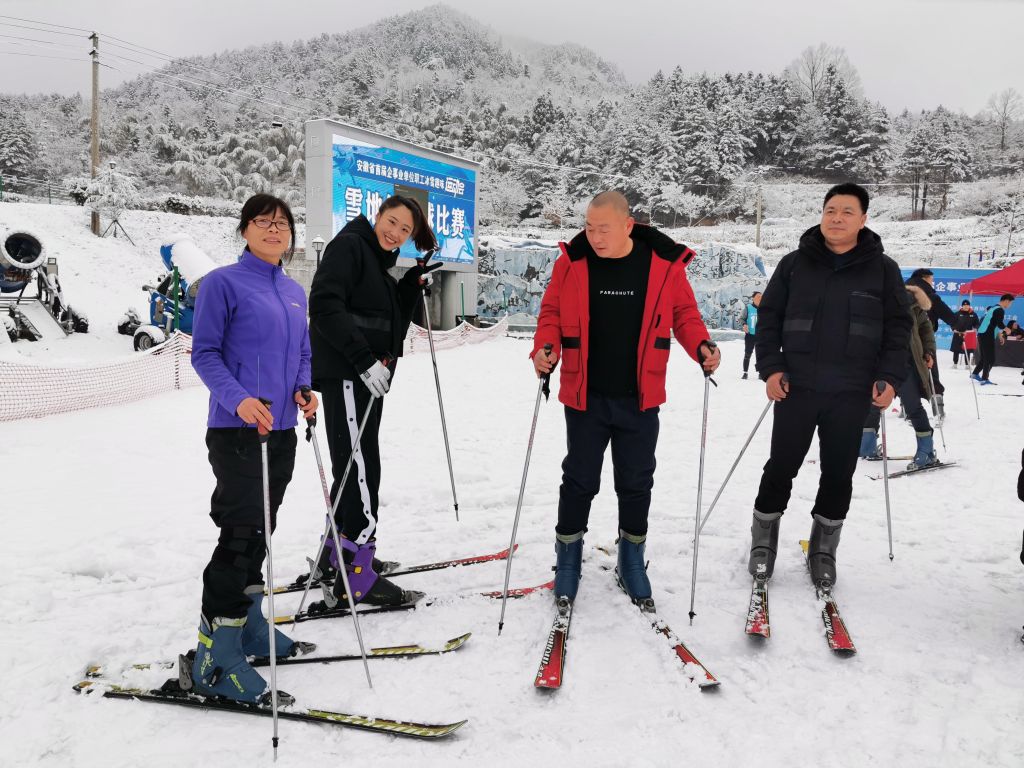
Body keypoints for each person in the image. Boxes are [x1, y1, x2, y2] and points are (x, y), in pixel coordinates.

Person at [532, 191, 720, 608]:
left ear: (628, 226)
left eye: (604, 229)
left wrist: (701, 345)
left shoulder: (663, 266)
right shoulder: (572, 263)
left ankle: (631, 559)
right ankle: (568, 559)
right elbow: (551, 313)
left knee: (636, 481)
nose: (595, 237)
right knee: (579, 480)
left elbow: (684, 315)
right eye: (589, 228)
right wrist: (545, 348)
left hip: (641, 397)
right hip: (585, 395)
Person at [748, 183, 912, 588]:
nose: (836, 218)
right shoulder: (794, 264)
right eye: (830, 210)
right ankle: (763, 541)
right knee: (781, 466)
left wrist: (890, 377)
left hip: (851, 392)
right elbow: (768, 319)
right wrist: (771, 368)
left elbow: (898, 328)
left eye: (847, 212)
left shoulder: (883, 269)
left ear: (863, 219)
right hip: (796, 387)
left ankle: (824, 548)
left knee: (839, 472)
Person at [189, 194, 317, 704]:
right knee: (240, 535)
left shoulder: (293, 290)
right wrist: (239, 399)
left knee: (262, 530)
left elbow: (302, 351)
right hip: (237, 430)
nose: (274, 229)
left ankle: (248, 627)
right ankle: (215, 654)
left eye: (282, 223)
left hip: (281, 430)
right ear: (244, 230)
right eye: (263, 221)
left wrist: (303, 388)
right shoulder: (222, 283)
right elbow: (204, 353)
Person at [308, 196, 439, 606]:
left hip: (367, 378)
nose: (395, 233)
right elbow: (324, 305)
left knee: (353, 467)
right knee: (361, 468)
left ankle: (337, 555)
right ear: (377, 215)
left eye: (405, 230)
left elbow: (387, 323)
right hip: (351, 374)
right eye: (392, 221)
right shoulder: (351, 246)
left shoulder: (377, 263)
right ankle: (358, 571)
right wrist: (364, 361)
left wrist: (409, 285)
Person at [860, 284, 938, 470]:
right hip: (879, 363)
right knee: (874, 404)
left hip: (906, 364)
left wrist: (928, 351)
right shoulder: (874, 302)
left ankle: (926, 451)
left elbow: (926, 329)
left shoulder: (914, 306)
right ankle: (866, 447)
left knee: (913, 406)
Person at [906, 268, 956, 421]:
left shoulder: (900, 291)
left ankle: (906, 410)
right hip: (922, 341)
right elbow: (945, 312)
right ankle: (938, 410)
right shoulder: (927, 293)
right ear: (924, 278)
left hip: (902, 342)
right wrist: (957, 324)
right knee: (931, 372)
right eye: (931, 279)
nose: (932, 282)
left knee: (907, 375)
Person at [971, 293, 1015, 384]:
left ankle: (975, 374)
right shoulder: (999, 310)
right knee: (990, 359)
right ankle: (984, 379)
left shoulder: (993, 308)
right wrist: (1007, 329)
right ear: (1006, 301)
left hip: (982, 334)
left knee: (985, 357)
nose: (1010, 305)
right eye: (1011, 303)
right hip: (987, 335)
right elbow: (999, 324)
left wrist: (999, 335)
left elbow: (992, 324)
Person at [951, 300, 980, 368]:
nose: (966, 306)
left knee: (968, 350)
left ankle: (967, 365)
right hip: (958, 334)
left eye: (967, 305)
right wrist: (953, 329)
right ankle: (955, 364)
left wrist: (975, 328)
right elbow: (952, 322)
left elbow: (977, 324)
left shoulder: (973, 314)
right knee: (956, 349)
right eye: (964, 305)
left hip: (968, 334)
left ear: (969, 306)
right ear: (962, 306)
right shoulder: (957, 314)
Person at [741, 291, 762, 380]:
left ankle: (760, 373)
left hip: (760, 336)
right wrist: (744, 324)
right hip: (750, 335)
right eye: (758, 296)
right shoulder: (748, 308)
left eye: (761, 297)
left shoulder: (763, 308)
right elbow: (742, 318)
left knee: (760, 355)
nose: (760, 298)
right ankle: (745, 373)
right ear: (753, 298)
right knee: (747, 354)